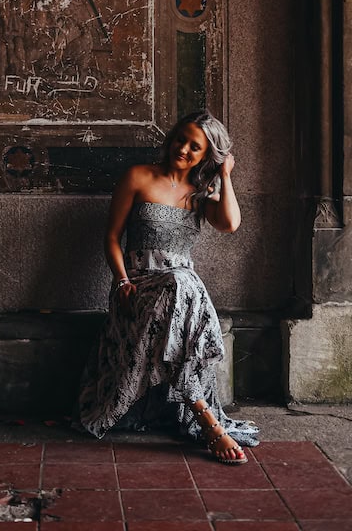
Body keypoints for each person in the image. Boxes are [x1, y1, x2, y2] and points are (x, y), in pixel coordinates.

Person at [76, 110, 259, 464]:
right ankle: (207, 420)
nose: (184, 149)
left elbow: (231, 223)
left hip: (181, 290)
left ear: (206, 155)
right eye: (181, 139)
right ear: (171, 138)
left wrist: (224, 175)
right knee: (180, 284)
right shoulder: (138, 176)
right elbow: (112, 237)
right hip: (138, 285)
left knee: (181, 282)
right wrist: (121, 280)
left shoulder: (201, 193)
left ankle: (202, 413)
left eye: (196, 147)